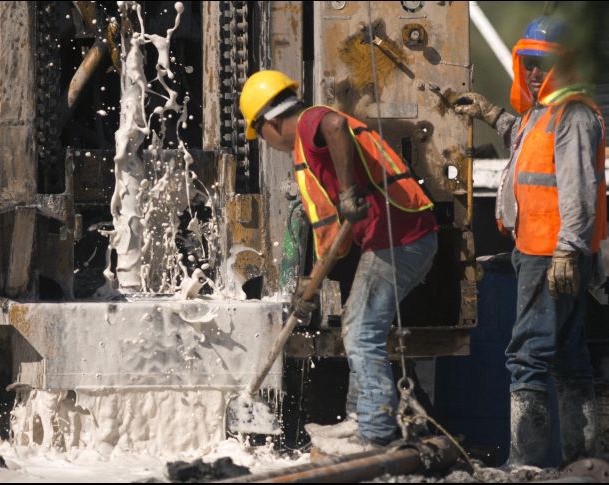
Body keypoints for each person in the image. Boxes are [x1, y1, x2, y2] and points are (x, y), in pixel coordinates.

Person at [239, 70, 438, 449]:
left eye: (260, 134)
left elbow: (334, 125)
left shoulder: (311, 120)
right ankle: (359, 417)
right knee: (357, 326)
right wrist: (309, 288)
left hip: (400, 238)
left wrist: (348, 191)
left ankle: (374, 431)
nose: (268, 144)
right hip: (396, 239)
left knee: (362, 332)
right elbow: (334, 239)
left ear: (271, 123)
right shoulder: (307, 148)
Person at [453, 16, 606, 467]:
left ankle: (528, 465)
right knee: (568, 357)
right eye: (528, 63)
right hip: (542, 252)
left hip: (550, 254)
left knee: (528, 356)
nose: (534, 72)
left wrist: (568, 249)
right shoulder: (543, 115)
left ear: (564, 64)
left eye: (543, 63)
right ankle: (582, 462)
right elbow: (523, 141)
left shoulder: (573, 115)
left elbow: (579, 189)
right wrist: (490, 113)